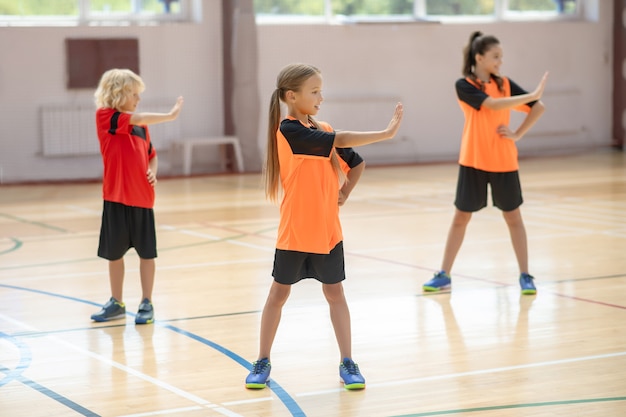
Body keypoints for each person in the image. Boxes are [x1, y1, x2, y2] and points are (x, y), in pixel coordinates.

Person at [245, 63, 403, 390]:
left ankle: (347, 361)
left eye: (321, 90)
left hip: (328, 232)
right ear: (292, 95)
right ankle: (262, 360)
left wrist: (345, 191)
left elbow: (355, 163)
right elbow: (339, 138)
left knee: (335, 294)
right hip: (294, 232)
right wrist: (385, 134)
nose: (321, 96)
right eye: (314, 91)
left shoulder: (322, 129)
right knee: (278, 294)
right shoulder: (289, 131)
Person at [422, 31, 547, 295]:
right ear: (479, 57)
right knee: (460, 217)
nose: (500, 61)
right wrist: (530, 94)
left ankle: (525, 275)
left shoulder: (505, 84)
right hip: (473, 161)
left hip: (504, 161)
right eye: (495, 56)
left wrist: (518, 133)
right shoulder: (464, 85)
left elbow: (539, 107)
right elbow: (491, 105)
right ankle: (444, 274)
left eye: (501, 56)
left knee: (513, 217)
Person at [90, 68, 183, 324]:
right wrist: (169, 116)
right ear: (118, 93)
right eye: (134, 94)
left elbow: (152, 155)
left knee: (147, 255)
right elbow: (136, 117)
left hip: (142, 198)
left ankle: (146, 302)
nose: (138, 99)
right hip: (116, 198)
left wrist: (152, 172)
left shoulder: (141, 127)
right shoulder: (105, 117)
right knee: (114, 254)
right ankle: (117, 302)